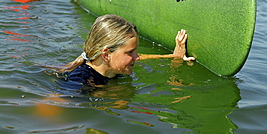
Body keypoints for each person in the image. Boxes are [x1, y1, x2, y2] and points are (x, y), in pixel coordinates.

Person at [54, 14, 195, 90]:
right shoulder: (81, 81)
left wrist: (175, 56)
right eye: (130, 52)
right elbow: (48, 106)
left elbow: (145, 57)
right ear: (106, 54)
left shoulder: (112, 65)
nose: (137, 58)